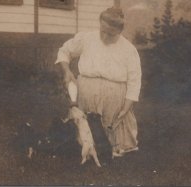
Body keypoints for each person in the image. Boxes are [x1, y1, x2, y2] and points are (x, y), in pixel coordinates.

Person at [55, 7, 141, 157]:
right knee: (84, 126)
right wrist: (67, 71)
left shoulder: (128, 49)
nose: (105, 37)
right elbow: (64, 51)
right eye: (103, 31)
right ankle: (85, 147)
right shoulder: (87, 38)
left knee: (113, 132)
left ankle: (112, 149)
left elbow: (134, 81)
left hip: (114, 97)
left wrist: (126, 108)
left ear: (119, 31)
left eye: (111, 34)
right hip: (86, 91)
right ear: (100, 24)